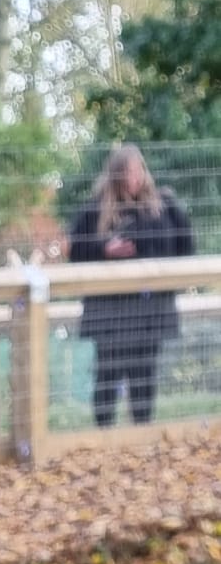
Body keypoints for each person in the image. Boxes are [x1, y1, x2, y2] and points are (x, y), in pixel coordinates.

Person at [68, 144, 194, 428]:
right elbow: (74, 251)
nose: (134, 177)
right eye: (127, 171)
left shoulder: (163, 206)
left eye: (138, 170)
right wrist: (104, 250)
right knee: (108, 375)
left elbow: (185, 247)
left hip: (151, 312)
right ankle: (104, 437)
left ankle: (142, 435)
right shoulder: (96, 209)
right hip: (109, 313)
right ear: (115, 174)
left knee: (144, 376)